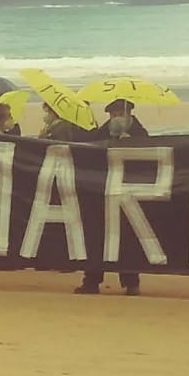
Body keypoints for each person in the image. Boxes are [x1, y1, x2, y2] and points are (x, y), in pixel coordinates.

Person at [76, 99, 146, 296]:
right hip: (103, 192)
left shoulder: (140, 133)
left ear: (129, 114)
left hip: (129, 195)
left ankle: (131, 282)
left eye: (119, 115)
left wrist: (131, 142)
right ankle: (91, 281)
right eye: (113, 115)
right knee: (97, 237)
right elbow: (88, 150)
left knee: (128, 239)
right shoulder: (103, 132)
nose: (116, 119)